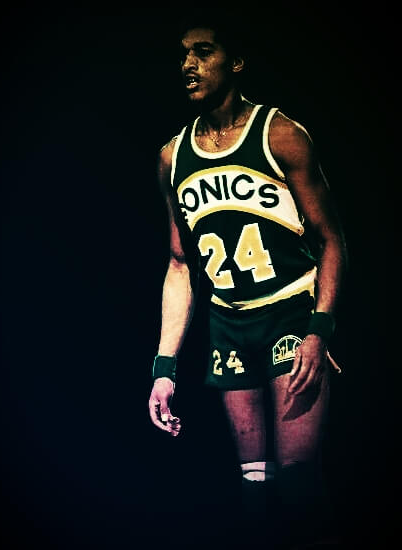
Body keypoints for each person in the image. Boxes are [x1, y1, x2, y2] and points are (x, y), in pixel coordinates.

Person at [148, 13, 347, 549]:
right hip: (229, 326)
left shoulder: (280, 135)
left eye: (203, 51)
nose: (188, 64)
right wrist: (163, 369)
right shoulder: (172, 157)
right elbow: (180, 265)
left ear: (235, 62)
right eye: (183, 54)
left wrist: (319, 329)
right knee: (254, 489)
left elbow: (332, 240)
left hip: (289, 313)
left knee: (300, 484)